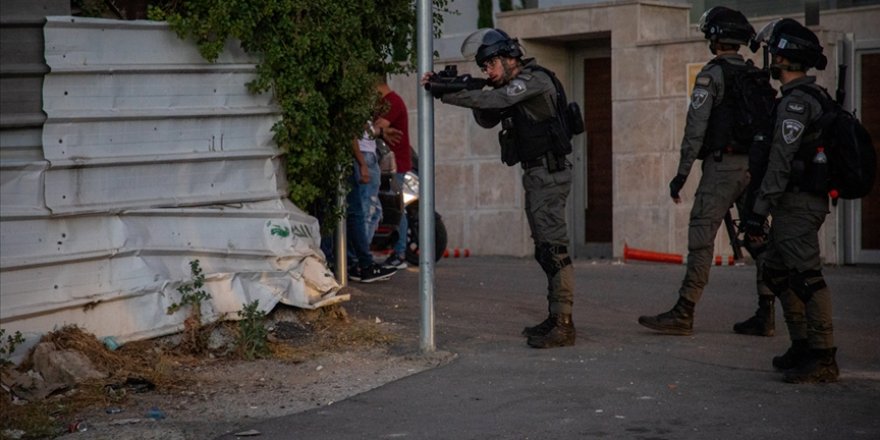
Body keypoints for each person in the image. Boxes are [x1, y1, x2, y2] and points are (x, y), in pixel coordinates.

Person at [422, 28, 576, 348]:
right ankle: (555, 316)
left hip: (549, 174)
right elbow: (488, 115)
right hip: (537, 175)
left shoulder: (533, 80)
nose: (488, 71)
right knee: (544, 248)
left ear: (509, 57)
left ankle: (564, 323)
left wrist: (446, 92)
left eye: (491, 63)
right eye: (484, 67)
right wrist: (460, 84)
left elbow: (495, 99)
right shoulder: (511, 84)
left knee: (554, 249)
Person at [637, 7, 777, 337]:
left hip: (722, 168)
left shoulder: (710, 76)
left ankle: (684, 311)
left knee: (701, 237)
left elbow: (695, 130)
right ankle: (766, 312)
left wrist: (681, 174)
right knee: (758, 238)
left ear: (715, 39)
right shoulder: (754, 75)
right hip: (753, 170)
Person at [745, 18, 838, 383]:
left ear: (784, 57)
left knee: (807, 277)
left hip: (798, 203)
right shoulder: (797, 99)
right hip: (791, 202)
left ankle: (824, 355)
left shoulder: (797, 104)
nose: (770, 58)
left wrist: (758, 211)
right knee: (778, 271)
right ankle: (802, 344)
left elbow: (780, 164)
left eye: (773, 52)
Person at [346, 124, 399, 283]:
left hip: (365, 155)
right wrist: (362, 163)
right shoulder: (355, 107)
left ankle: (360, 262)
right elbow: (351, 129)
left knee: (370, 212)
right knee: (362, 212)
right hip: (363, 156)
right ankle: (360, 263)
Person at [375, 76, 413, 269]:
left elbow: (377, 127)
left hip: (395, 165)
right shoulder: (386, 102)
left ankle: (400, 253)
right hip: (389, 164)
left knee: (397, 209)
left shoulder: (392, 102)